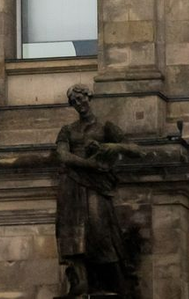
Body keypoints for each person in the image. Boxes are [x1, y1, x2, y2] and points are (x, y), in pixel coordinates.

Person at [53, 84, 142, 297]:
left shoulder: (106, 128)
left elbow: (135, 149)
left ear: (88, 97)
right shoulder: (68, 130)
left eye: (81, 99)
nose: (79, 104)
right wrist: (92, 164)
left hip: (97, 186)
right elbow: (63, 156)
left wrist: (109, 147)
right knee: (72, 230)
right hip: (71, 184)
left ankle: (114, 280)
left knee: (100, 230)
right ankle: (80, 279)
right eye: (74, 102)